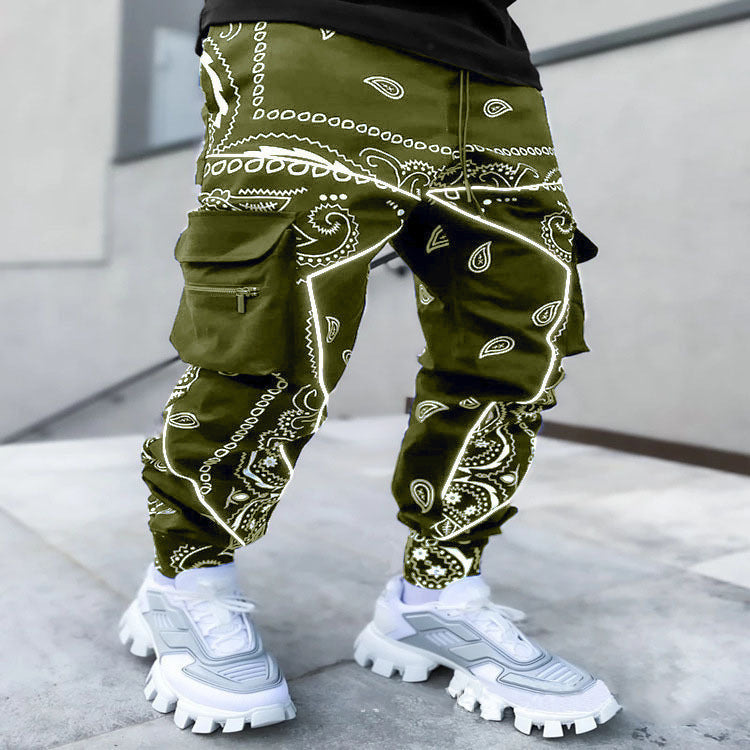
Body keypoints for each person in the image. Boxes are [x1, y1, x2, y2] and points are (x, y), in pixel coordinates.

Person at [118, 0, 620, 738]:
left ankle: (434, 598)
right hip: (307, 29)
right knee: (271, 330)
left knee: (515, 337)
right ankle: (185, 581)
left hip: (488, 62)